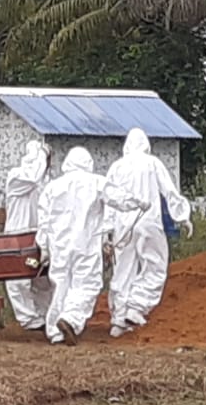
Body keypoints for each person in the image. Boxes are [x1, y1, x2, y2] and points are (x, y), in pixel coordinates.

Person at [36, 146, 148, 345]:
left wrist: (43, 246)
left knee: (60, 286)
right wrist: (138, 203)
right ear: (89, 163)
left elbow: (43, 220)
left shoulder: (52, 187)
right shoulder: (96, 182)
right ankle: (70, 319)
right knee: (87, 285)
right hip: (86, 244)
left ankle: (54, 332)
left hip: (59, 246)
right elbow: (118, 198)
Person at [105, 128, 193, 338]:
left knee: (123, 271)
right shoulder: (153, 163)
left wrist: (107, 230)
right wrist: (183, 216)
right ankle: (136, 307)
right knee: (155, 266)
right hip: (148, 222)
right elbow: (169, 191)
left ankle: (118, 319)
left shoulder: (116, 166)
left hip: (122, 227)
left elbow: (108, 198)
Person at [3, 140, 53, 331]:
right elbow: (32, 176)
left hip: (38, 234)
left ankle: (45, 315)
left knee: (43, 278)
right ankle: (29, 319)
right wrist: (42, 153)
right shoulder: (16, 176)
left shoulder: (45, 181)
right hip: (17, 234)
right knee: (18, 280)